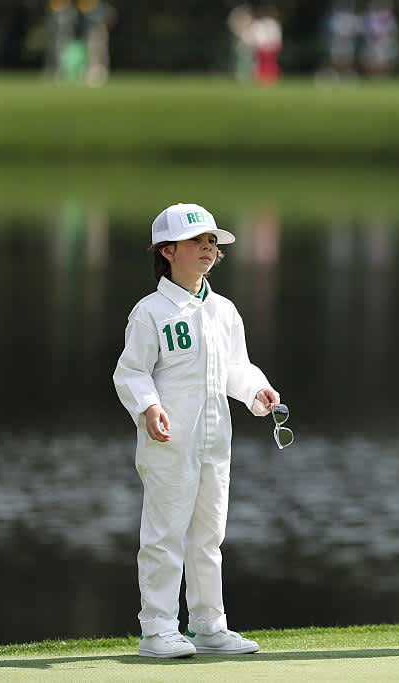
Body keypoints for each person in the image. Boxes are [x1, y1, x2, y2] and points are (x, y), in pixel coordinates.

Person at [114, 203, 282, 658]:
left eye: (212, 242)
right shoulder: (150, 312)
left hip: (214, 440)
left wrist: (256, 390)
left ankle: (209, 625)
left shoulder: (224, 311)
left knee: (208, 535)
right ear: (168, 251)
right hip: (169, 441)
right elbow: (130, 372)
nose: (208, 248)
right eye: (197, 241)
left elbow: (234, 366)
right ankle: (158, 628)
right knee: (165, 533)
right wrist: (149, 407)